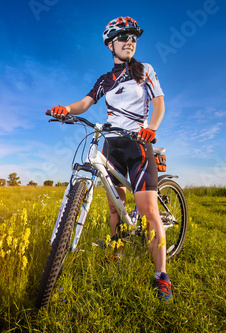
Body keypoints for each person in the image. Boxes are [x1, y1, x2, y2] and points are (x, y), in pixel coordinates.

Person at [49, 16, 172, 301]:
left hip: (139, 144)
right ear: (110, 45)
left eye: (133, 38)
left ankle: (161, 275)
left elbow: (159, 103)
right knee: (116, 209)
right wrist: (66, 109)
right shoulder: (105, 80)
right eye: (123, 38)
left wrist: (150, 128)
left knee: (149, 211)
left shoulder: (145, 70)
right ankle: (116, 254)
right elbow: (86, 102)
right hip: (111, 146)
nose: (129, 42)